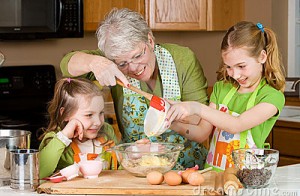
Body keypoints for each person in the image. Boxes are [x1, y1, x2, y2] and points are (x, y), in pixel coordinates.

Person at [60, 8, 209, 170]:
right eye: (123, 64)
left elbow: (200, 119)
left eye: (138, 56)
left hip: (189, 167)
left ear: (150, 41)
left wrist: (172, 120)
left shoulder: (182, 59)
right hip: (135, 168)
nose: (134, 68)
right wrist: (94, 63)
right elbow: (66, 64)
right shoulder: (112, 64)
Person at [166, 21, 286, 172]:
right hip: (213, 176)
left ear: (262, 57)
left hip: (245, 179)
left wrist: (195, 107)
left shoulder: (272, 97)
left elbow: (237, 125)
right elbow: (202, 132)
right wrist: (171, 122)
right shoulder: (222, 89)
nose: (235, 74)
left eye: (241, 66)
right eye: (229, 67)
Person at [39, 78, 119, 179]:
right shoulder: (55, 139)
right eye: (89, 115)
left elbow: (121, 166)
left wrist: (136, 152)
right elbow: (40, 172)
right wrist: (64, 136)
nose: (98, 122)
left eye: (101, 113)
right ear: (65, 114)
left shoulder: (106, 131)